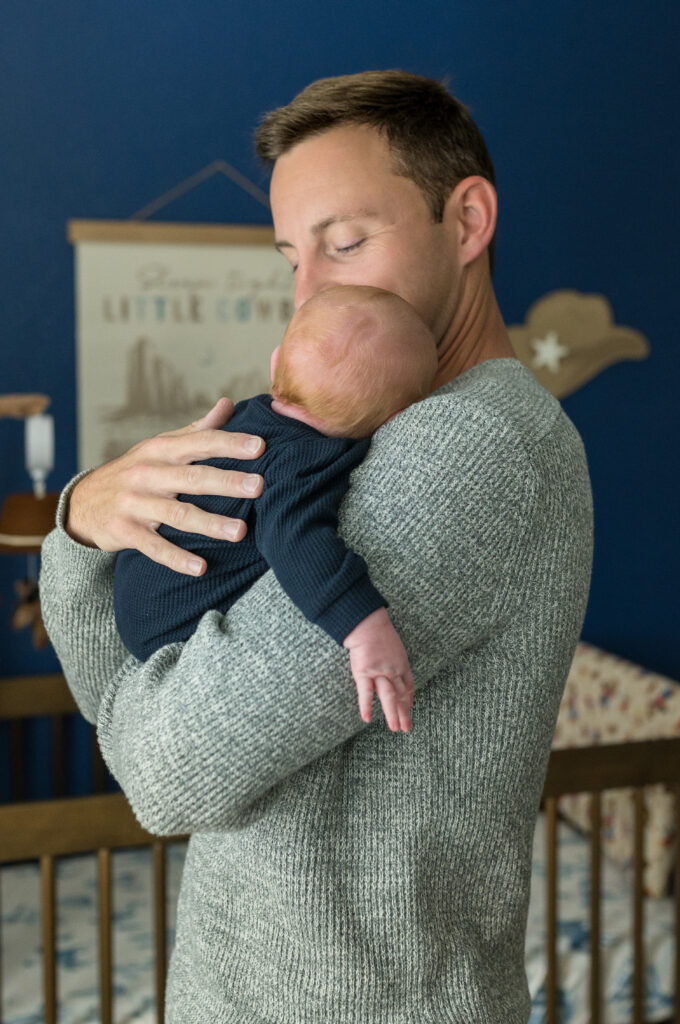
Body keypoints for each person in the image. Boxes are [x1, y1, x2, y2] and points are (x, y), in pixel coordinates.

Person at [40, 70, 593, 1022]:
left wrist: (95, 585)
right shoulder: (359, 436)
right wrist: (86, 515)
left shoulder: (469, 446)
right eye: (292, 257)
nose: (309, 292)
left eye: (344, 243)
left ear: (465, 223)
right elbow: (145, 679)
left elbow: (168, 774)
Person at [114, 284, 439, 732]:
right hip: (177, 620)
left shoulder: (248, 414)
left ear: (274, 364)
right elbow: (294, 539)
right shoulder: (304, 457)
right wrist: (365, 629)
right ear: (395, 423)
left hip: (139, 586)